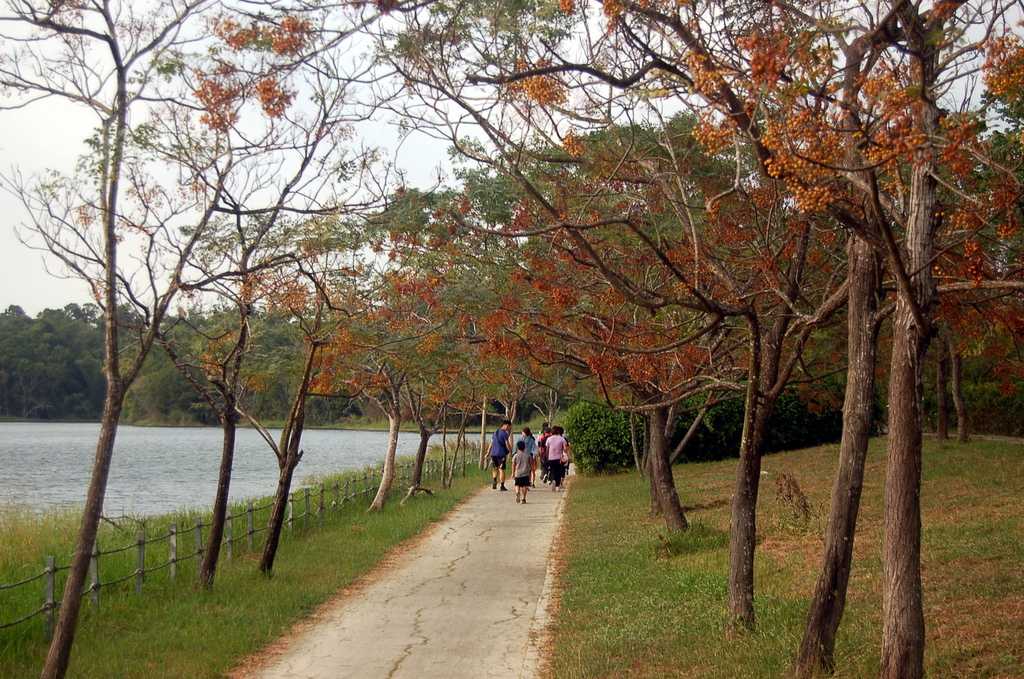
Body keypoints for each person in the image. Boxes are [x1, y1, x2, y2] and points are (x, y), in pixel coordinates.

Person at [544, 426, 570, 491]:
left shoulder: (549, 439)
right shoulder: (562, 439)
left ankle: (553, 480)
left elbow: (547, 449)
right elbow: (565, 449)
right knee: (558, 472)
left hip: (551, 457)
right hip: (559, 458)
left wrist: (547, 458)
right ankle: (557, 486)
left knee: (552, 470)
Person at [489, 420, 513, 491]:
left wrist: (488, 452)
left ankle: (494, 480)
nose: (508, 428)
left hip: (493, 453)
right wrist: (510, 451)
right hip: (501, 453)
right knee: (501, 469)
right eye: (508, 427)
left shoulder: (495, 432)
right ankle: (502, 485)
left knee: (495, 468)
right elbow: (507, 444)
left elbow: (491, 443)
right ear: (505, 425)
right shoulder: (505, 434)